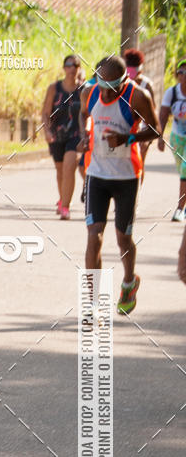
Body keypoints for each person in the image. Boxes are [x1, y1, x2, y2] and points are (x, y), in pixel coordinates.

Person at [78, 54, 161, 315]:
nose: (106, 93)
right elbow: (83, 116)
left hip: (126, 176)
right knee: (94, 236)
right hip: (97, 175)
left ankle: (129, 281)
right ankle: (92, 304)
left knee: (123, 238)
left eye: (111, 89)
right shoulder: (89, 93)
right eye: (102, 86)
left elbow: (156, 129)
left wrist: (127, 137)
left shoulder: (138, 97)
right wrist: (84, 135)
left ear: (123, 82)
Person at [42, 54, 83, 219]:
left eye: (75, 65)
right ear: (64, 68)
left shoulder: (84, 90)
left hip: (76, 133)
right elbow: (45, 113)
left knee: (69, 167)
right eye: (68, 65)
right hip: (57, 134)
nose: (72, 68)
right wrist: (46, 131)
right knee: (60, 170)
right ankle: (62, 199)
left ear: (79, 68)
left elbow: (88, 113)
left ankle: (65, 207)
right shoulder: (54, 88)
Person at [158, 57, 186, 221]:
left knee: (185, 167)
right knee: (181, 169)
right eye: (181, 72)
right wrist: (160, 137)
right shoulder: (172, 92)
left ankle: (180, 209)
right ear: (177, 75)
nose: (184, 75)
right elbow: (163, 115)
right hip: (177, 136)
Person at [124, 48, 155, 179]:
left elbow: (152, 111)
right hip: (126, 126)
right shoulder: (122, 83)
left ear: (140, 71)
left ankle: (136, 195)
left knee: (139, 161)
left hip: (142, 129)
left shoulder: (146, 85)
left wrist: (147, 137)